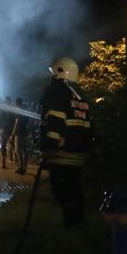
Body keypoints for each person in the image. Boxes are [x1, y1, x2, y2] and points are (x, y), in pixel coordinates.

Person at [38, 57, 93, 227]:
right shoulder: (79, 97)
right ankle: (79, 228)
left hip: (61, 156)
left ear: (58, 73)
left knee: (65, 195)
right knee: (74, 193)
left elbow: (55, 122)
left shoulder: (57, 93)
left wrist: (49, 145)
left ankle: (72, 231)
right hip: (78, 155)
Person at [11, 98, 30, 175]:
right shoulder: (25, 111)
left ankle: (21, 167)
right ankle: (25, 168)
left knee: (17, 150)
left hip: (19, 133)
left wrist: (12, 134)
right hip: (25, 132)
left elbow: (17, 122)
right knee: (24, 151)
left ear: (16, 103)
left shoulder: (18, 111)